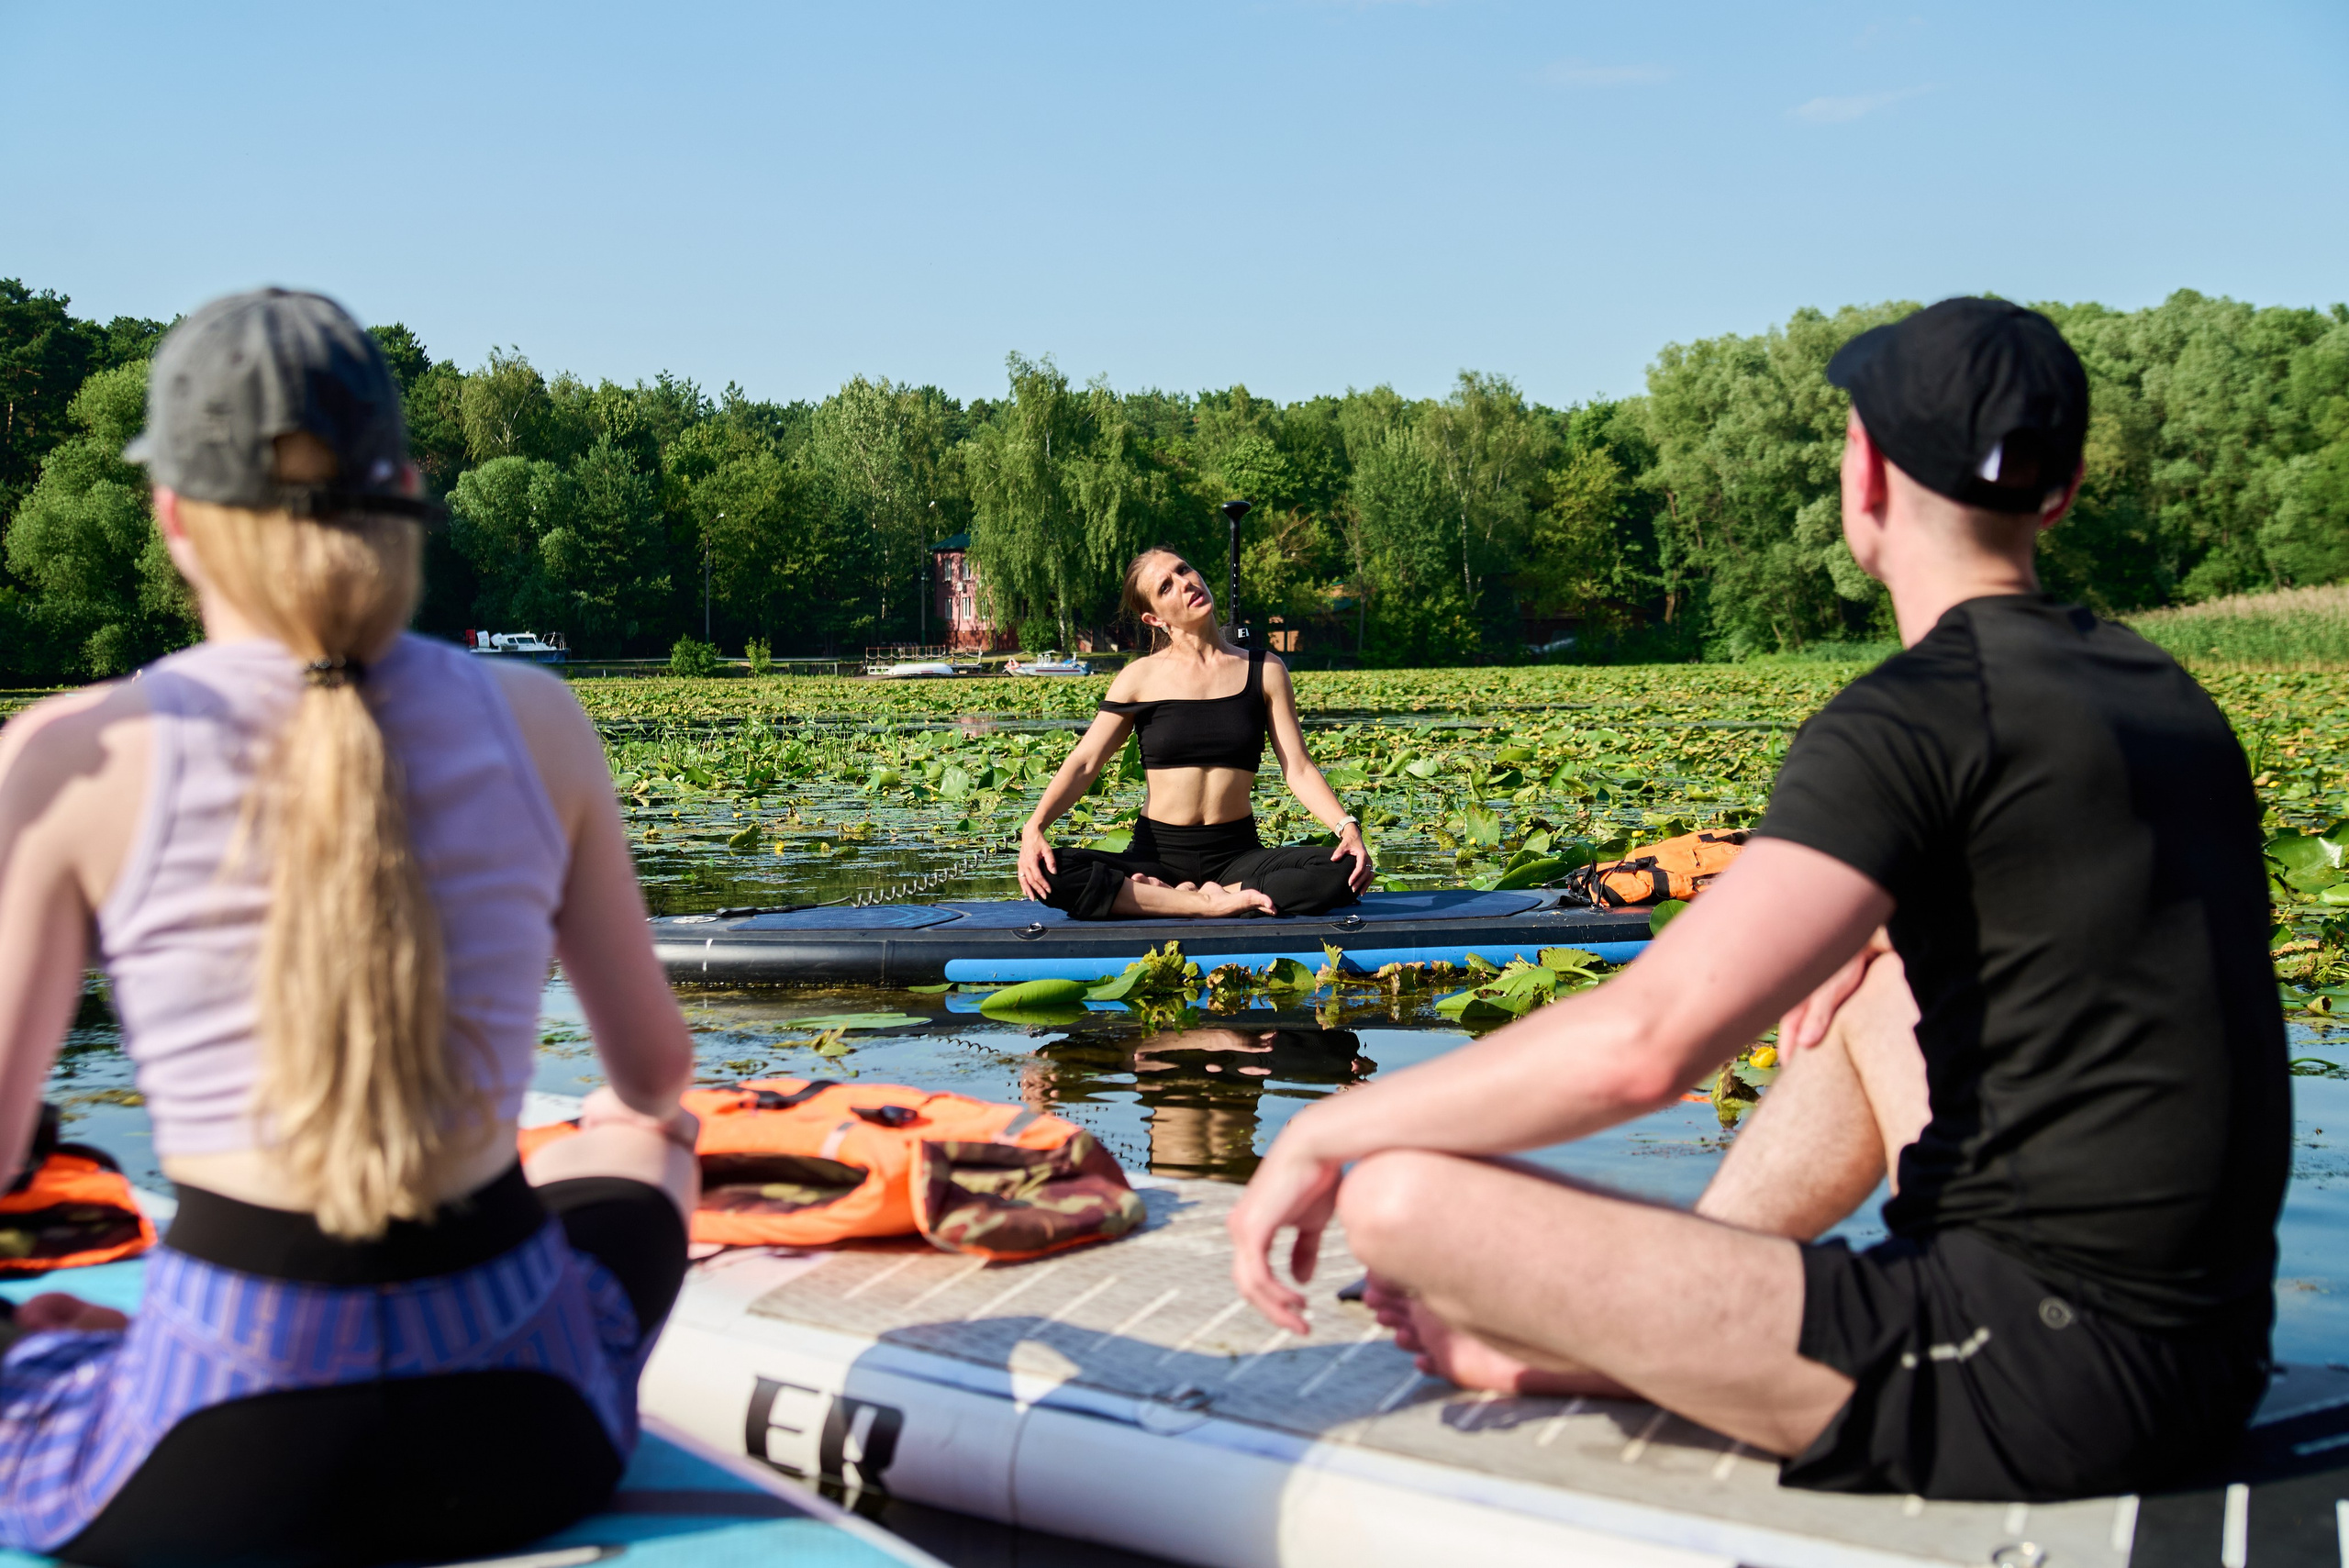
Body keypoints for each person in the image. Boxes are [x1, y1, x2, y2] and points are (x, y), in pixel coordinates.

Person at [1227, 298, 2289, 1502]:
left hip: (2036, 1386)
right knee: (1873, 984)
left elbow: (1646, 1047)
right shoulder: (2161, 687)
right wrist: (1881, 932)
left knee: (1404, 1198)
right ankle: (1661, 1342)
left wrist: (1326, 1127)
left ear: (1865, 474)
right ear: (2065, 487)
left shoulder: (1912, 713)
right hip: (2206, 1354)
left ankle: (1615, 1352)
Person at [0, 290, 702, 1562]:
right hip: (525, 1435)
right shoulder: (541, 721)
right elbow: (654, 1076)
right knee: (643, 1149)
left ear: (173, 518)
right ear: (411, 489)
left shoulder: (65, 755)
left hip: (213, 1469)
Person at [1018, 547, 1372, 919]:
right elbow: (1086, 762)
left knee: (1342, 869)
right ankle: (1205, 903)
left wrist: (1346, 826)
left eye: (1184, 569)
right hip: (1155, 857)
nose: (1186, 583)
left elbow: (1298, 768)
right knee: (1047, 869)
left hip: (1238, 856)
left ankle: (1189, 898)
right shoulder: (1140, 678)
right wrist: (1035, 826)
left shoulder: (1264, 669)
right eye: (1166, 587)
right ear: (1154, 618)